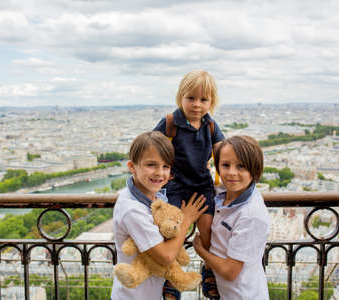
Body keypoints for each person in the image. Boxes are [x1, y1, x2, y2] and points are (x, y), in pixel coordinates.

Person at [153, 70, 225, 299]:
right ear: (180, 98)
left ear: (211, 102)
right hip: (176, 184)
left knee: (208, 229)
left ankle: (209, 268)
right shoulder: (171, 122)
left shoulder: (210, 125)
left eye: (203, 100)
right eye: (191, 98)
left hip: (201, 184)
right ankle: (173, 275)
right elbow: (151, 147)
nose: (197, 105)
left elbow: (222, 152)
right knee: (172, 230)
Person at [111, 131, 207, 300]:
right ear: (132, 167)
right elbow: (166, 257)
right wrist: (186, 219)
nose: (160, 173)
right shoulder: (132, 209)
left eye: (165, 167)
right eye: (151, 165)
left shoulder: (151, 196)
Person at [193, 136, 270, 300]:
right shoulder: (223, 195)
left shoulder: (251, 215)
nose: (231, 173)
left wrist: (201, 251)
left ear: (254, 169)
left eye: (241, 166)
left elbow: (230, 271)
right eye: (225, 165)